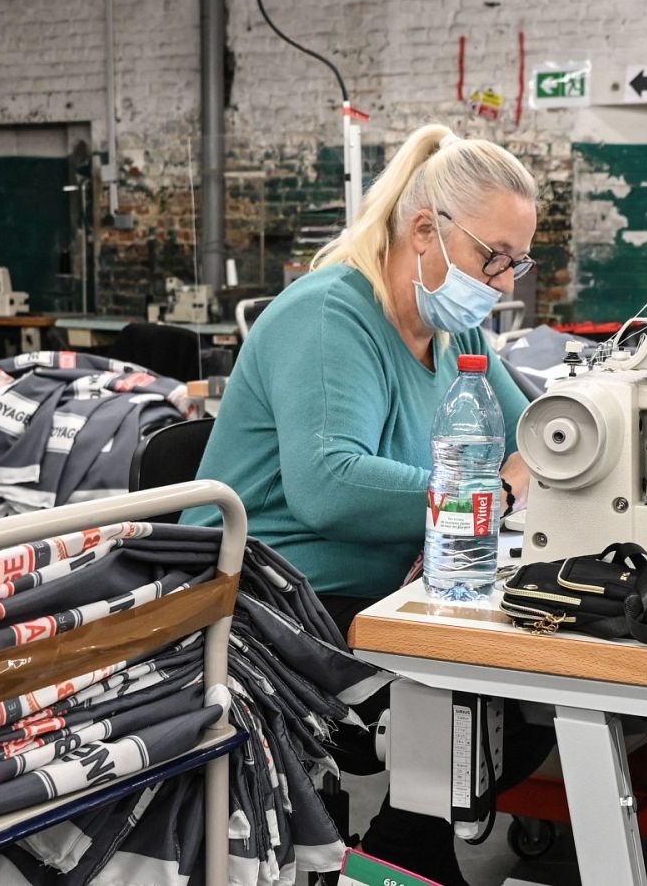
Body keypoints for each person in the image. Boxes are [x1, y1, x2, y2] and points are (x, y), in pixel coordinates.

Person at [183, 124, 552, 885]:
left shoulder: (455, 329)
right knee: (491, 710)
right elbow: (331, 485)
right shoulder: (331, 314)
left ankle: (397, 850)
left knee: (523, 705)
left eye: (519, 262)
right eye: (496, 258)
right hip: (275, 595)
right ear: (425, 231)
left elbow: (542, 435)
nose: (508, 283)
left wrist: (525, 468)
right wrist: (494, 492)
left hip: (387, 584)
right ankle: (400, 853)